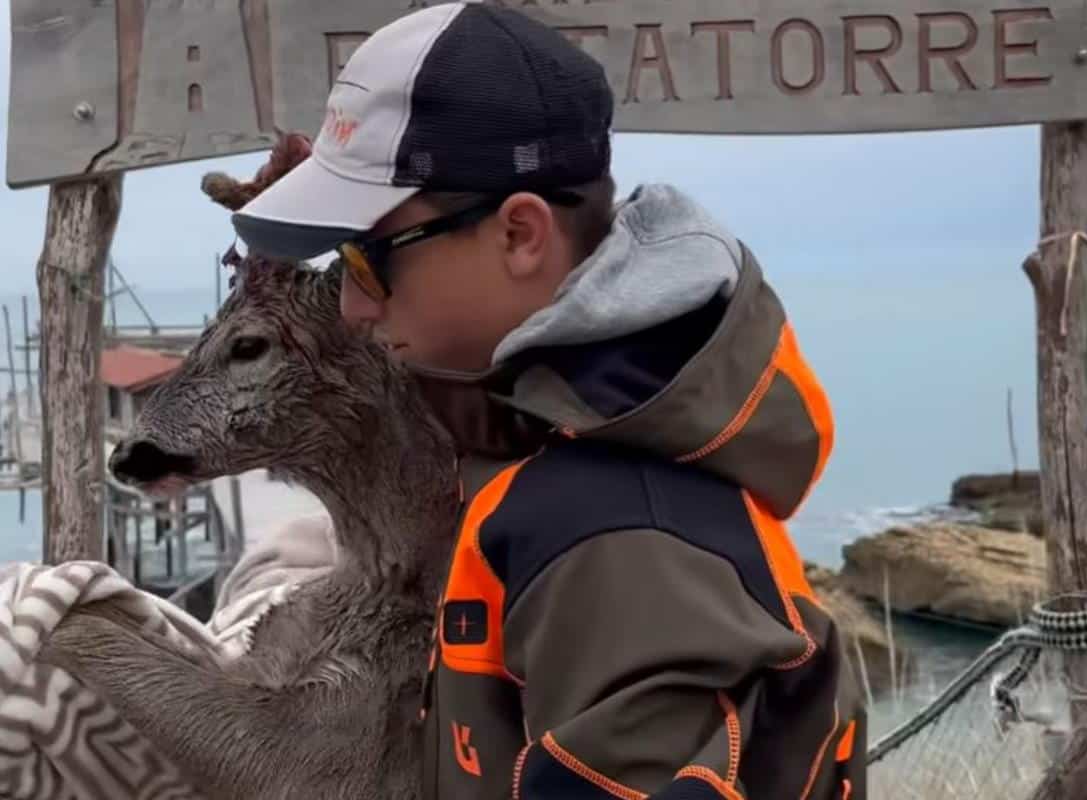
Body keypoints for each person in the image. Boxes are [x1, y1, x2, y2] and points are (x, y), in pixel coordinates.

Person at [231, 3, 866, 797]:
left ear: (521, 234)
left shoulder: (618, 533)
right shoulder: (559, 430)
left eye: (365, 259)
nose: (354, 310)